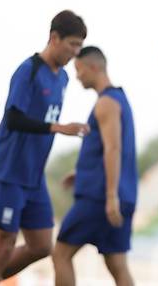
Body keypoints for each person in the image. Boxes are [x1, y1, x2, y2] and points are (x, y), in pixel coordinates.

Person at [0, 10, 89, 286]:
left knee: (42, 246)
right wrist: (58, 128)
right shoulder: (29, 70)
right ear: (54, 38)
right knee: (2, 249)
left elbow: (32, 120)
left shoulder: (61, 78)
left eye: (80, 46)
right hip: (8, 172)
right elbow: (14, 117)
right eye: (72, 44)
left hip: (33, 176)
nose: (76, 52)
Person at [53, 46, 138, 286]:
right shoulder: (120, 99)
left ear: (93, 67)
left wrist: (110, 196)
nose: (77, 76)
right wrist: (82, 173)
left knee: (60, 254)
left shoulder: (106, 103)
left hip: (99, 198)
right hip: (121, 195)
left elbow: (113, 149)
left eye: (79, 69)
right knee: (117, 264)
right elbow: (111, 150)